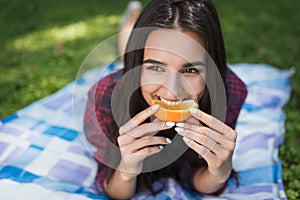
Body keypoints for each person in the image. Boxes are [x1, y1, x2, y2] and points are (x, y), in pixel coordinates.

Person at [84, 0, 247, 199]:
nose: (171, 93)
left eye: (190, 70)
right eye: (155, 67)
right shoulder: (104, 97)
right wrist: (126, 169)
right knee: (126, 51)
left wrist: (220, 171)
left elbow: (198, 180)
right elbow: (114, 190)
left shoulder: (231, 91)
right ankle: (132, 18)